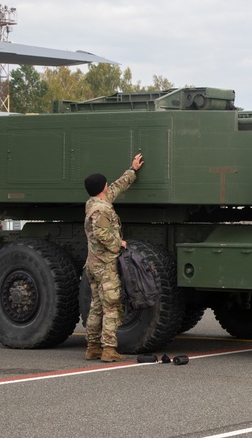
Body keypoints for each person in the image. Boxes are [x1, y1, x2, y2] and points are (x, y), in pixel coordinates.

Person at [83, 153, 144, 362]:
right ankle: (108, 349)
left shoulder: (93, 203)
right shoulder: (100, 210)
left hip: (93, 265)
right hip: (104, 265)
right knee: (112, 305)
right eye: (107, 184)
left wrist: (133, 170)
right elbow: (101, 234)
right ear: (103, 187)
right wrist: (119, 243)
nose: (109, 186)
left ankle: (92, 347)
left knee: (97, 305)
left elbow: (117, 187)